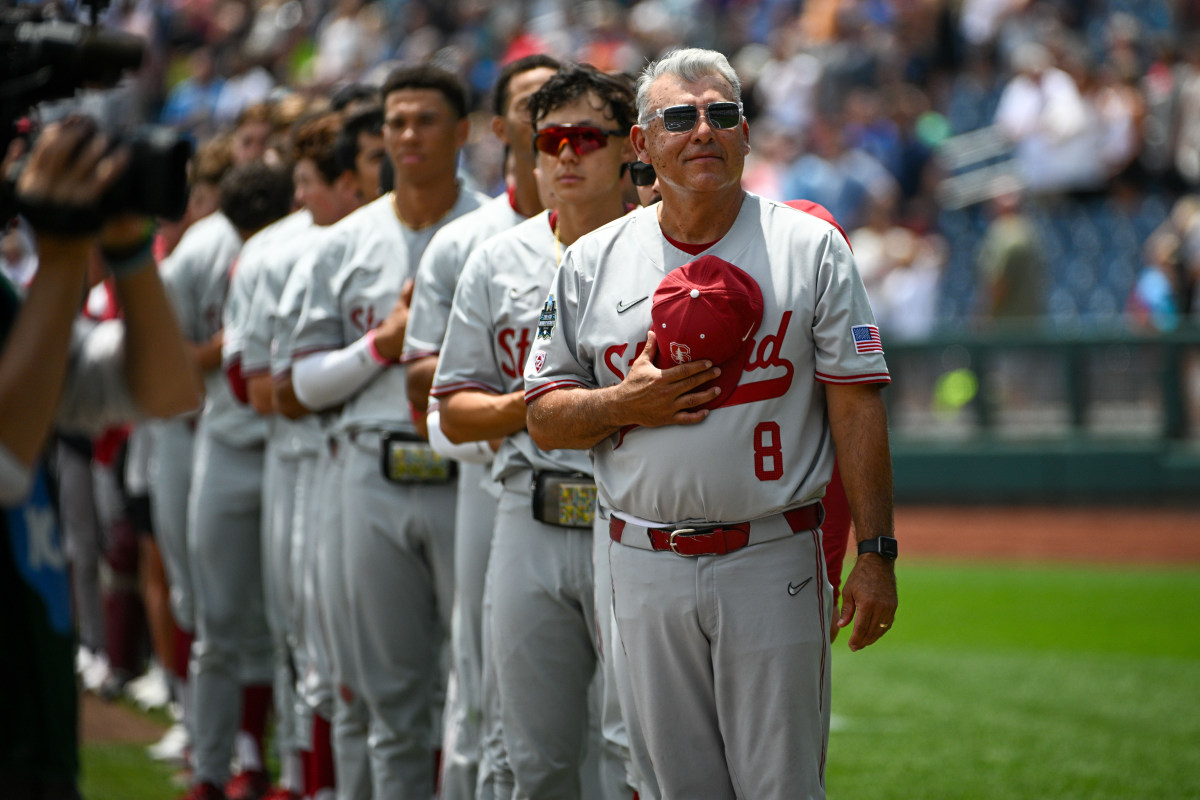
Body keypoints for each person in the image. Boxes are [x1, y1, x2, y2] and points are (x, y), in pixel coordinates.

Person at [523, 48, 898, 800]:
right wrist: (624, 404)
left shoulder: (809, 245)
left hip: (772, 554)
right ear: (641, 144)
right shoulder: (590, 261)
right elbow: (545, 418)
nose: (703, 131)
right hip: (642, 557)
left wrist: (877, 551)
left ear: (747, 135)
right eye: (679, 117)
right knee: (672, 789)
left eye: (722, 115)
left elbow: (856, 403)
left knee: (782, 787)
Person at [434, 62, 639, 800]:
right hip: (529, 506)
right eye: (551, 138)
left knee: (630, 755)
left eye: (587, 136)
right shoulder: (497, 257)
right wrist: (539, 407)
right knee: (534, 758)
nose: (566, 154)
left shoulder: (668, 250)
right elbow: (451, 407)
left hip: (634, 513)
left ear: (629, 148)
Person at [284, 64, 486, 800]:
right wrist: (383, 345)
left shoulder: (495, 232)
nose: (407, 135)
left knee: (477, 696)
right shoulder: (344, 241)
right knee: (389, 701)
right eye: (396, 121)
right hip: (370, 467)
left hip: (470, 472)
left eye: (425, 119)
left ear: (462, 131)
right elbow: (299, 386)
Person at [1, 117, 203, 800]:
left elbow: (164, 389)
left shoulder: (5, 301)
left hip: (33, 721)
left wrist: (127, 248)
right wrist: (60, 257)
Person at [400, 53, 559, 800]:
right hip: (486, 475)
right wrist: (522, 400)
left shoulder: (614, 227)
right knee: (478, 670)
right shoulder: (470, 240)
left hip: (587, 480)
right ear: (501, 126)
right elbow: (420, 373)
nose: (544, 115)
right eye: (530, 101)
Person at [179, 161, 295, 800]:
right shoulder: (202, 251)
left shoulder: (315, 246)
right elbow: (161, 351)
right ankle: (208, 768)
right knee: (219, 620)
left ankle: (281, 770)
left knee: (287, 625)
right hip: (222, 444)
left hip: (286, 450)